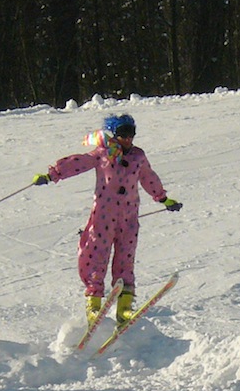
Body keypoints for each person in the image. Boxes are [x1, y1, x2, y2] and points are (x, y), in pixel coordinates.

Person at [33, 114, 182, 325]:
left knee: (126, 257)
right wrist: (52, 174)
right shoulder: (103, 153)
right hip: (104, 215)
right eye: (123, 134)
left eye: (131, 134)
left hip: (129, 216)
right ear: (115, 134)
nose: (127, 139)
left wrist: (163, 198)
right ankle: (93, 305)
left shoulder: (138, 156)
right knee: (96, 255)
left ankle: (124, 307)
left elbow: (148, 177)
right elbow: (79, 163)